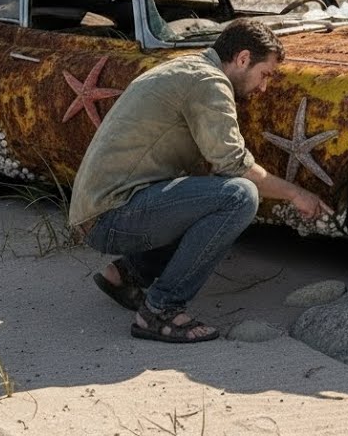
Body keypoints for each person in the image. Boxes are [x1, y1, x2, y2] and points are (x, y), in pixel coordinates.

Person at [69, 18, 332, 343]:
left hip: (98, 209)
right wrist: (296, 194)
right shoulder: (209, 83)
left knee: (207, 194)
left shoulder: (186, 67)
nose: (263, 88)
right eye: (265, 75)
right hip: (110, 216)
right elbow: (233, 164)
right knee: (239, 196)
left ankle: (124, 275)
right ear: (243, 59)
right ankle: (160, 311)